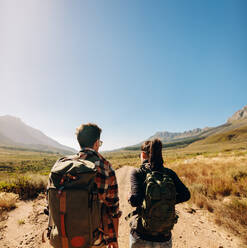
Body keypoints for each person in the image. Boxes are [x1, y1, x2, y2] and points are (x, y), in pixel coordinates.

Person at [47, 123, 121, 248]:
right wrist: (113, 239)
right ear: (96, 143)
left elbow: (50, 204)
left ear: (79, 142)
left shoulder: (60, 166)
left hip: (63, 239)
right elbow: (113, 209)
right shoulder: (105, 168)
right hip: (94, 241)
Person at [128, 139, 190, 248]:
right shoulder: (169, 173)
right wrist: (167, 200)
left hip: (141, 235)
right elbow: (186, 195)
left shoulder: (137, 172)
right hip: (163, 237)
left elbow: (135, 201)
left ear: (143, 154)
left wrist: (129, 197)